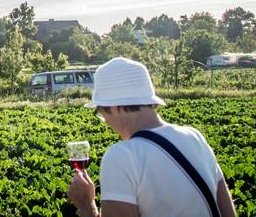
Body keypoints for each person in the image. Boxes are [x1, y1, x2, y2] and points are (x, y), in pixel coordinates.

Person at [67, 57, 237, 217]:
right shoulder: (194, 136)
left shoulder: (122, 155)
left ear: (115, 108)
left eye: (102, 113)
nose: (105, 122)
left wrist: (86, 205)